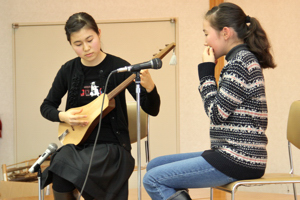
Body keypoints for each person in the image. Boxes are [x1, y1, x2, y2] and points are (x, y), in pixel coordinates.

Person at [143, 2, 276, 200]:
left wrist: (206, 72)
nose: (205, 41)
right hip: (229, 154)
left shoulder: (240, 63)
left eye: (206, 33)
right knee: (155, 166)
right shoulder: (239, 60)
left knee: (152, 179)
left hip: (239, 159)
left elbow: (216, 114)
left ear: (225, 33)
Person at [40, 12, 160, 200]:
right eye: (78, 44)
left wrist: (150, 88)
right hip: (78, 145)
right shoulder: (68, 70)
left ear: (99, 33)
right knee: (60, 167)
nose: (86, 48)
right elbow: (46, 107)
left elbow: (152, 109)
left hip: (112, 148)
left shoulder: (120, 67)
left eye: (90, 39)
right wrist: (64, 116)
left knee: (70, 166)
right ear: (70, 44)